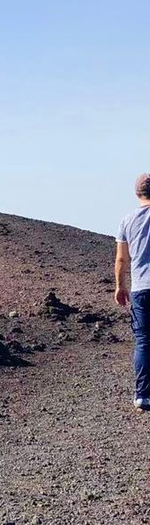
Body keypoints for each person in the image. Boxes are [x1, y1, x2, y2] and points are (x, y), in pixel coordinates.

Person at [115, 173, 150, 409]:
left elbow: (121, 259)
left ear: (137, 193)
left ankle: (143, 395)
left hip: (140, 288)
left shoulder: (127, 221)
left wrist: (120, 286)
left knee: (144, 341)